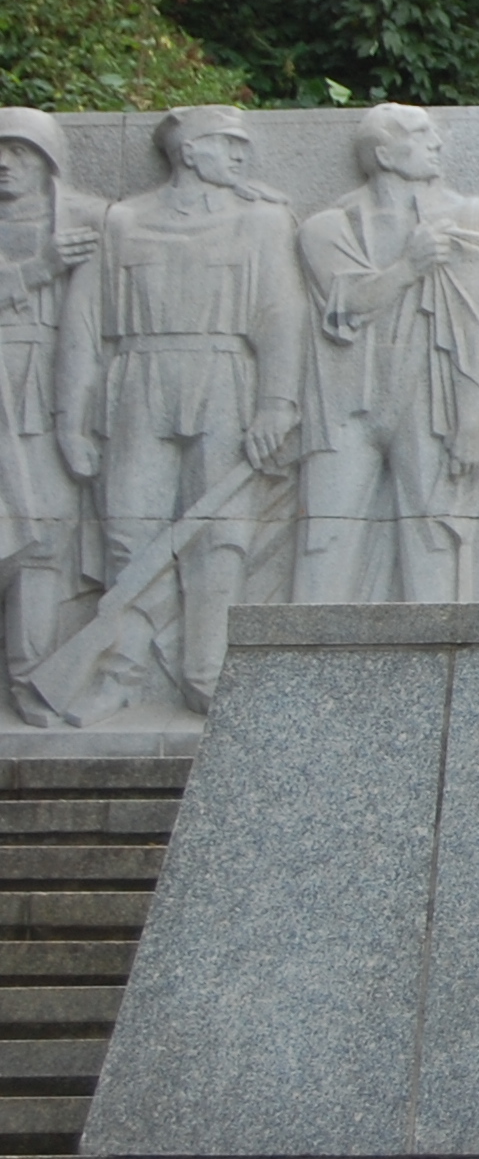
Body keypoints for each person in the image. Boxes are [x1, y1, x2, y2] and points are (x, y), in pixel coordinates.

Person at [89, 105, 304, 716]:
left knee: (222, 535)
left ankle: (207, 671)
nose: (239, 155)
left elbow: (281, 314)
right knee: (129, 529)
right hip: (140, 374)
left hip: (225, 373)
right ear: (187, 151)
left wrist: (276, 402)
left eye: (243, 145)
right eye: (224, 143)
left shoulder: (263, 220)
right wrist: (76, 420)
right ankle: (122, 671)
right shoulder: (124, 220)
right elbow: (88, 319)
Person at [295, 104, 479, 603]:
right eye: (419, 134)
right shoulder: (326, 228)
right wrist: (408, 266)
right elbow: (344, 304)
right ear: (383, 154)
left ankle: (438, 654)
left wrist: (472, 423)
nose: (436, 142)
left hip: (429, 399)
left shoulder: (468, 217)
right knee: (324, 540)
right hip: (345, 404)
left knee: (433, 538)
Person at [0, 111, 105, 727]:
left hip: (46, 391)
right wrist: (38, 268)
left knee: (43, 542)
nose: (4, 163)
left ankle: (28, 678)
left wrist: (76, 419)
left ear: (48, 160)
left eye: (20, 150)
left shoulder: (89, 218)